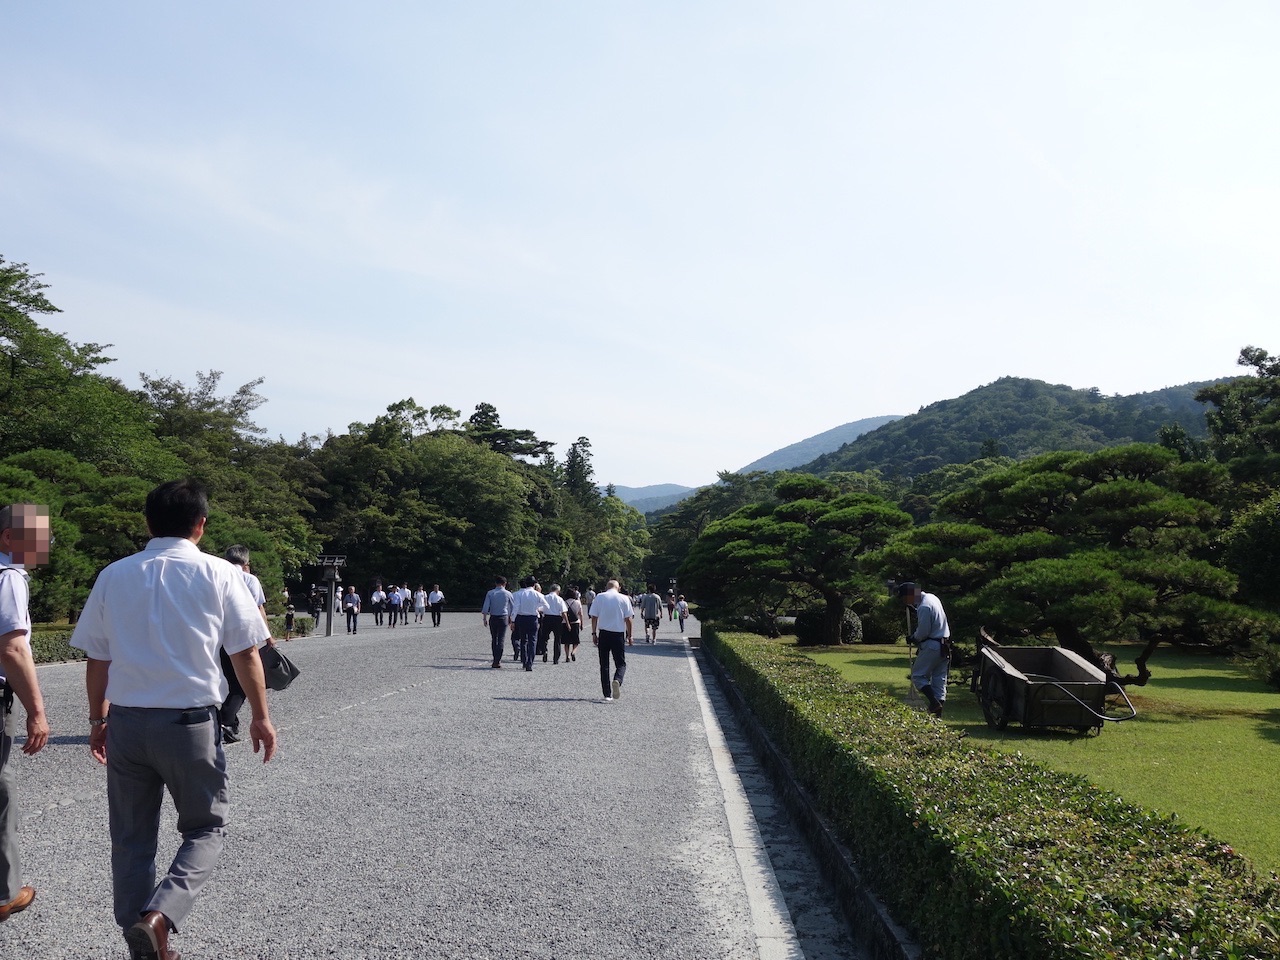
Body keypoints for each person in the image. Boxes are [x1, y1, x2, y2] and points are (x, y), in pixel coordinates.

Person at [70, 479, 277, 960]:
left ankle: (139, 937)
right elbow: (246, 652)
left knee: (130, 837)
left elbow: (97, 659)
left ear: (147, 522)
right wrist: (261, 716)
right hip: (189, 724)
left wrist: (97, 720)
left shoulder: (114, 574)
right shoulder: (220, 574)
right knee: (205, 828)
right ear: (201, 526)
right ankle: (159, 918)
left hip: (126, 722)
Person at [0, 503, 52, 924]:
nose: (46, 545)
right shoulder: (9, 577)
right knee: (1, 791)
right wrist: (36, 709)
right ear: (7, 538)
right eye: (37, 537)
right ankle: (4, 892)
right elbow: (13, 648)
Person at [218, 545, 278, 745]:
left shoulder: (217, 575)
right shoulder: (250, 580)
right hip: (242, 639)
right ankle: (224, 722)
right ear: (246, 563)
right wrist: (268, 637)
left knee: (226, 681)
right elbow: (259, 609)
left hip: (216, 639)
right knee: (241, 685)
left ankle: (230, 722)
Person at [898, 581, 951, 717]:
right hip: (944, 645)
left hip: (931, 645)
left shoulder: (924, 607)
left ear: (910, 595)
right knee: (939, 680)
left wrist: (913, 638)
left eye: (904, 598)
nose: (905, 602)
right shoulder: (932, 598)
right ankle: (938, 715)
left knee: (918, 676)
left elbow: (923, 632)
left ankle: (934, 703)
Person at [590, 580, 634, 702]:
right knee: (621, 663)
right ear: (618, 587)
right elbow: (628, 619)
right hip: (618, 634)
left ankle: (607, 694)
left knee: (604, 664)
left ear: (606, 587)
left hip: (603, 633)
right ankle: (617, 680)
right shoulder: (624, 598)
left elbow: (594, 617)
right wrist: (630, 636)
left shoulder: (600, 597)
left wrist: (594, 633)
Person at [511, 576, 549, 672]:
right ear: (534, 584)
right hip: (533, 618)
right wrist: (538, 609)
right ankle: (530, 663)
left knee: (523, 640)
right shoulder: (538, 594)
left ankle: (524, 660)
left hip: (522, 617)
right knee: (533, 641)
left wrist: (513, 620)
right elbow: (547, 606)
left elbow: (516, 607)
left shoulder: (520, 594)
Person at [480, 577, 515, 668]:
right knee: (501, 639)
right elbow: (513, 607)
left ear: (495, 583)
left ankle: (495, 658)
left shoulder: (490, 593)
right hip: (503, 617)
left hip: (493, 617)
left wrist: (484, 618)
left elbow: (485, 606)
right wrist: (512, 618)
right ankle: (497, 660)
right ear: (505, 583)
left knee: (494, 639)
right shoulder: (508, 593)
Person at [542, 585, 571, 664]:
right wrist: (567, 623)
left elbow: (540, 609)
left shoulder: (545, 597)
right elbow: (564, 612)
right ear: (558, 591)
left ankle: (545, 650)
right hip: (557, 619)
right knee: (557, 639)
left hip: (547, 618)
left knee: (544, 637)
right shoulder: (559, 599)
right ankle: (556, 658)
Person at [563, 587, 584, 663]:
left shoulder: (564, 602)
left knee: (566, 642)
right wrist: (582, 624)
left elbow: (562, 613)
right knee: (576, 641)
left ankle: (567, 656)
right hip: (575, 623)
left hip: (565, 623)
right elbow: (580, 614)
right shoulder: (577, 602)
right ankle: (573, 652)